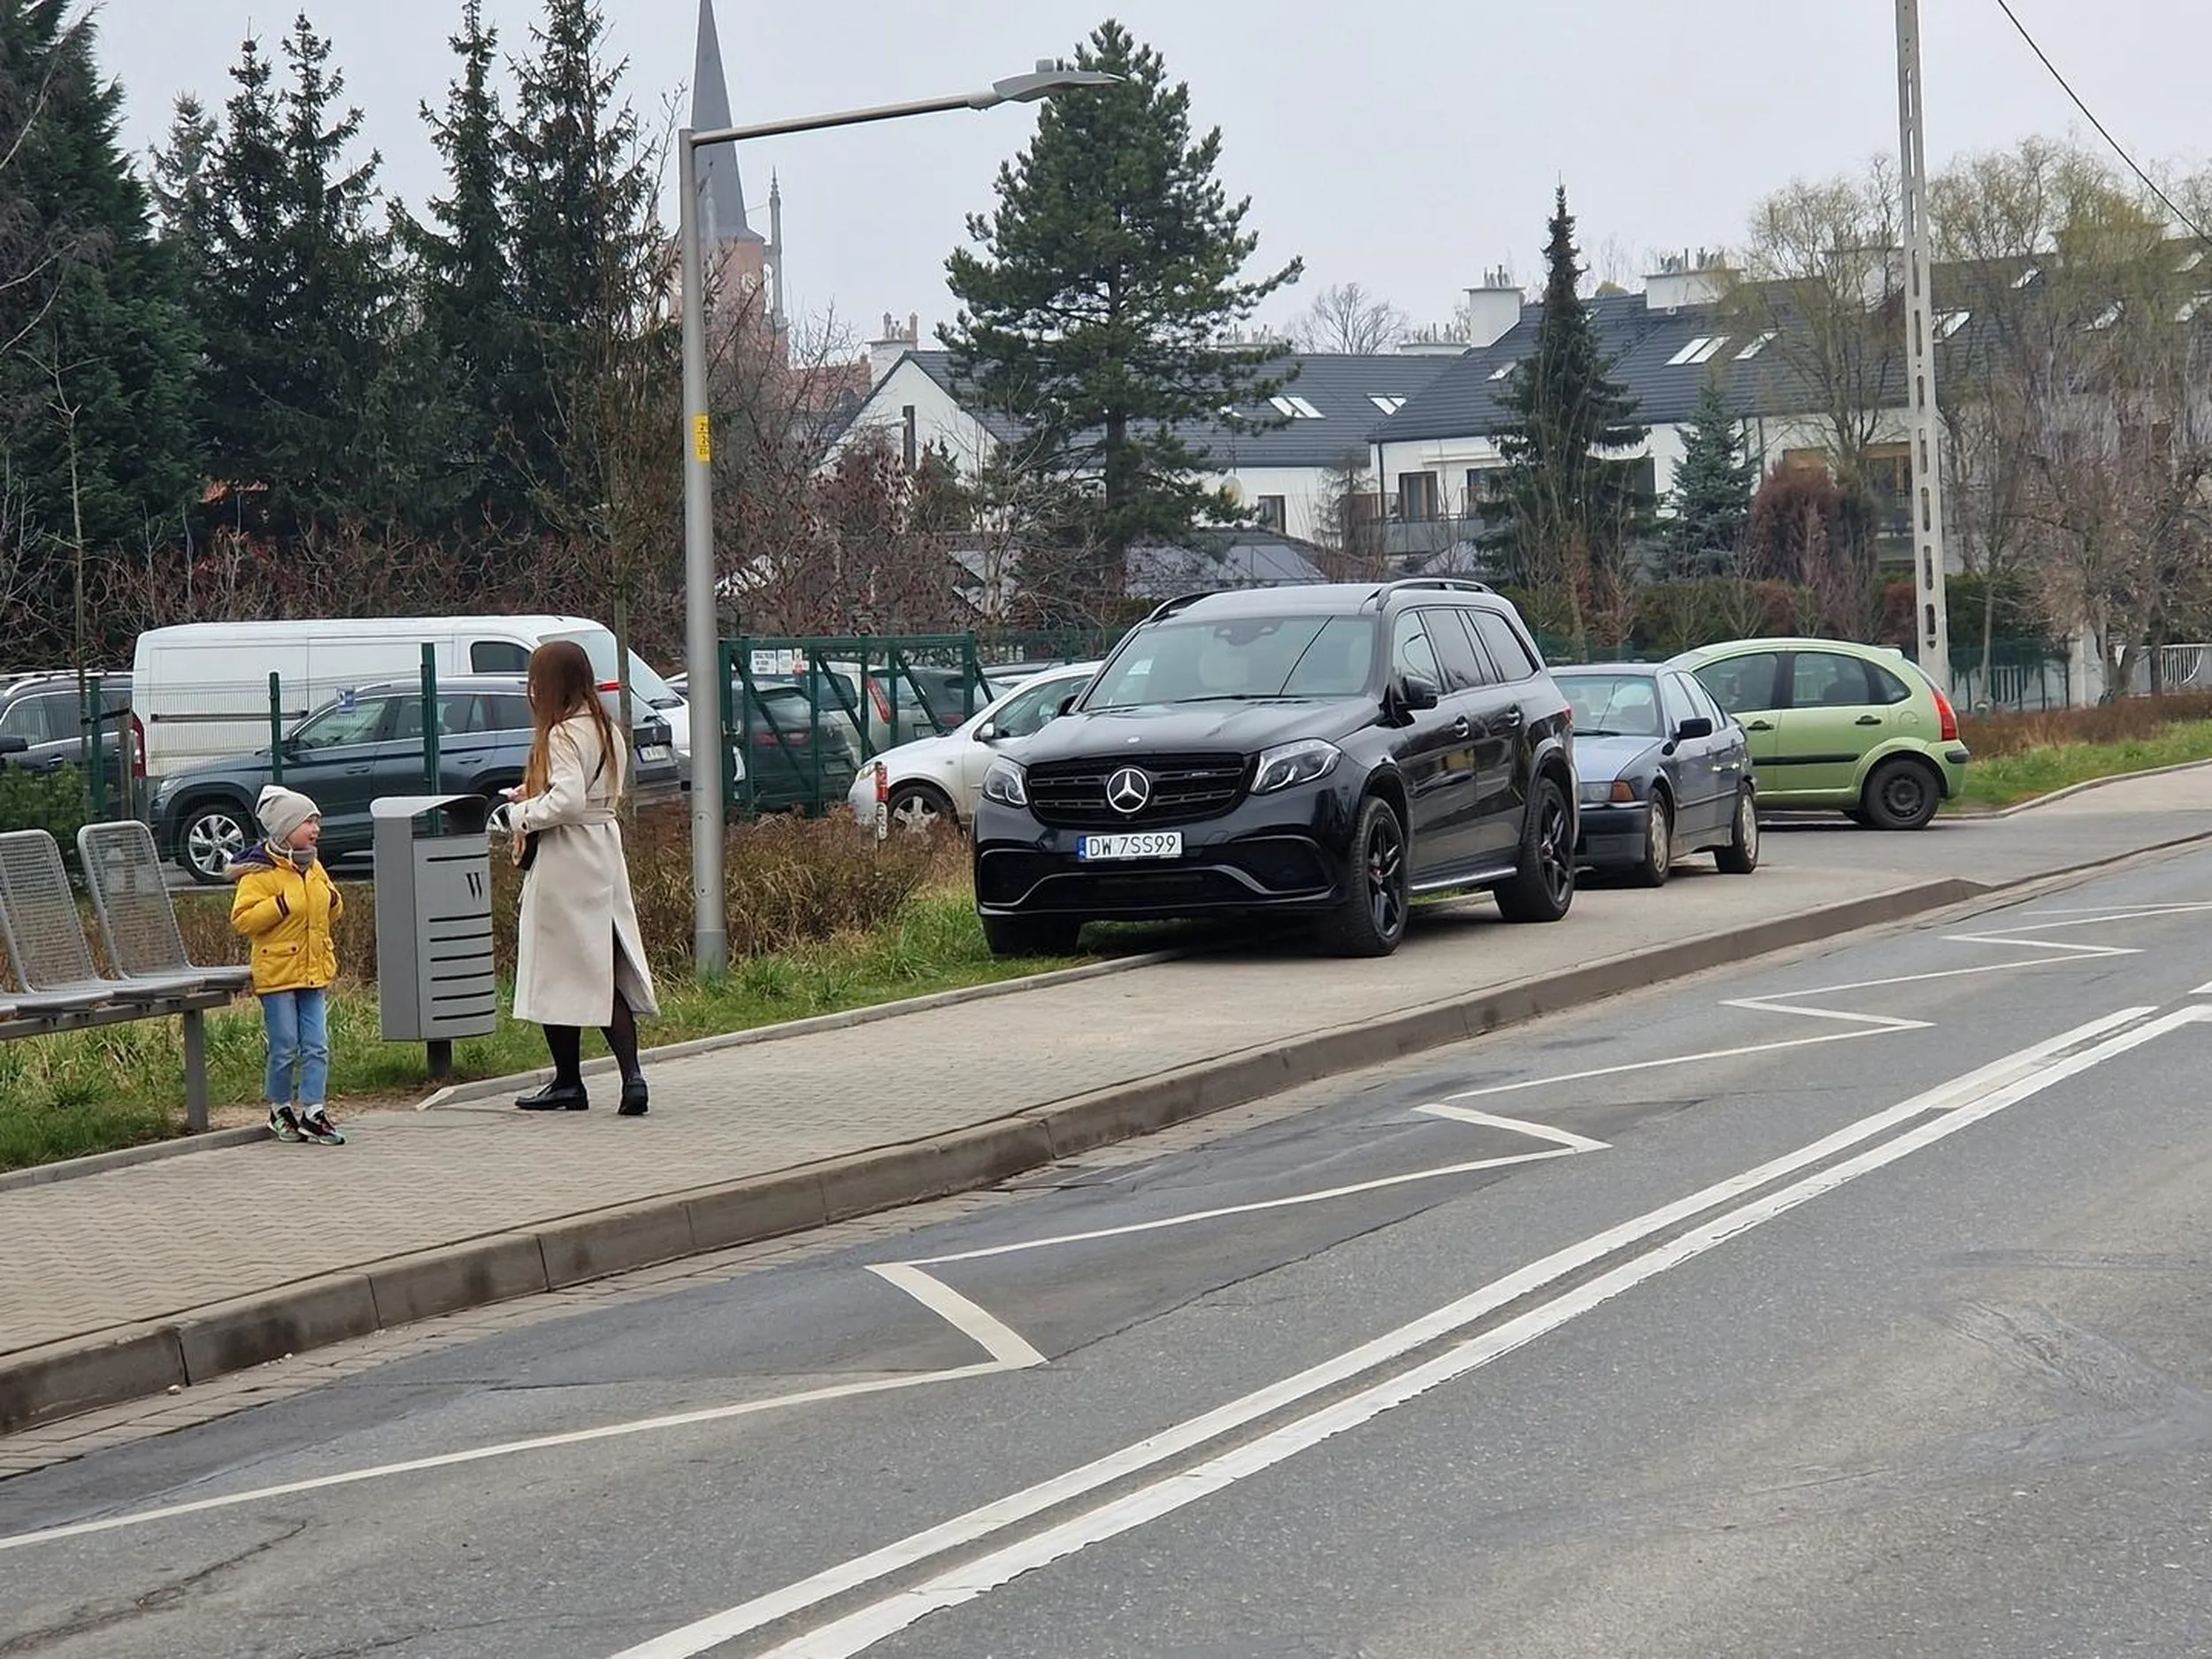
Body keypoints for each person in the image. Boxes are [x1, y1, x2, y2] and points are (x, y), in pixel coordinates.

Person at [492, 639, 658, 1114]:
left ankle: (569, 1082)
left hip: (566, 858)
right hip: (603, 849)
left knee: (556, 970)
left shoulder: (562, 733)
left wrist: (518, 813)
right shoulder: (608, 728)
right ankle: (632, 1076)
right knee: (601, 966)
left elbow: (565, 802)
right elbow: (590, 792)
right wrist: (541, 793)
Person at [229, 785, 345, 1146]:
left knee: (317, 1044)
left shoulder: (314, 867)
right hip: (278, 974)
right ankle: (279, 1108)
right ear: (284, 829)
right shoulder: (260, 873)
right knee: (284, 1045)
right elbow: (243, 920)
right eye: (308, 822)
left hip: (313, 969)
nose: (316, 829)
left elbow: (332, 909)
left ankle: (313, 1111)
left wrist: (332, 901)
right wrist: (280, 904)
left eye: (317, 822)